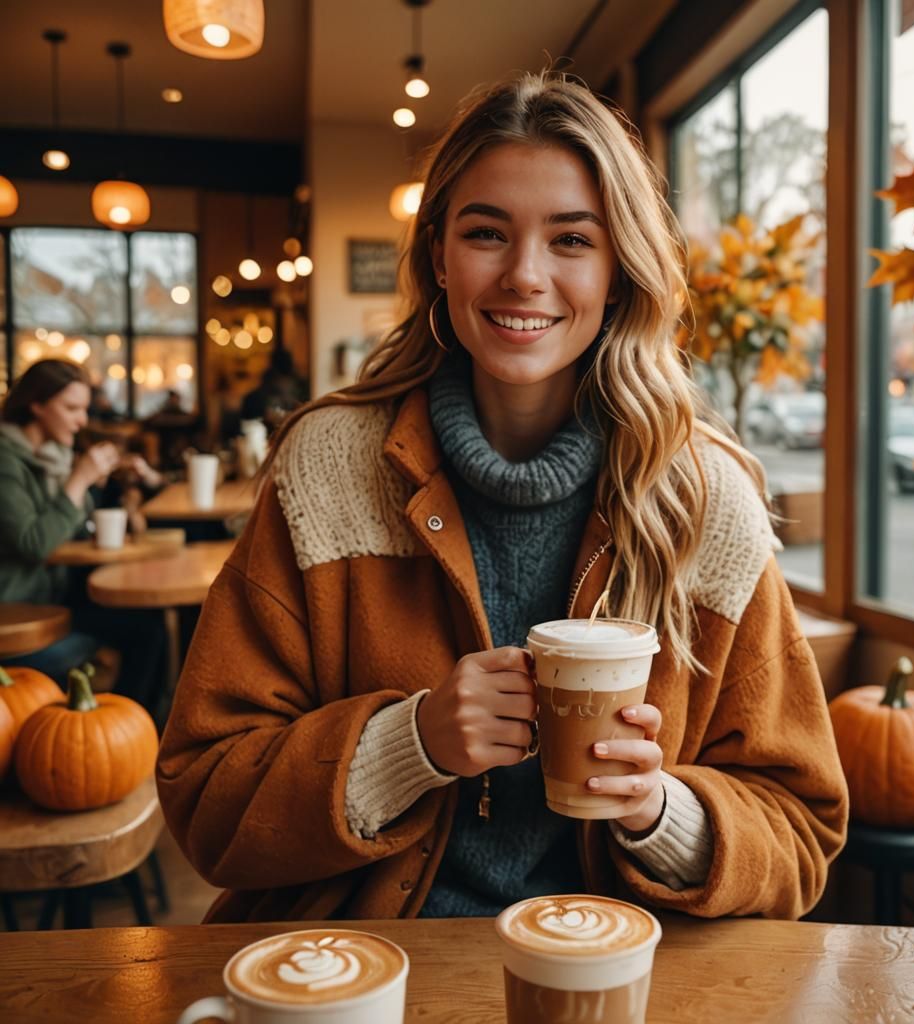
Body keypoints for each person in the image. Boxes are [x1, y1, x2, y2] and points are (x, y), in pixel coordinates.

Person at [157, 73, 848, 925]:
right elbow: (204, 799)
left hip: (622, 973)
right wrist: (408, 745)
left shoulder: (705, 502)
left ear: (620, 269)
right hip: (369, 967)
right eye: (488, 232)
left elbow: (801, 832)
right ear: (439, 256)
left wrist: (659, 812)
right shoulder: (329, 468)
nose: (525, 275)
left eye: (571, 240)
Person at [0, 358, 166, 712]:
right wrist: (79, 480)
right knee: (146, 634)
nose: (82, 421)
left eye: (84, 408)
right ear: (37, 404)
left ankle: (133, 730)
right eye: (72, 408)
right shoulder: (6, 460)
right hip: (18, 614)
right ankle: (121, 732)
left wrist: (102, 486)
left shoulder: (53, 456)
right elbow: (35, 544)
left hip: (53, 599)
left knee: (150, 624)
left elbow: (75, 529)